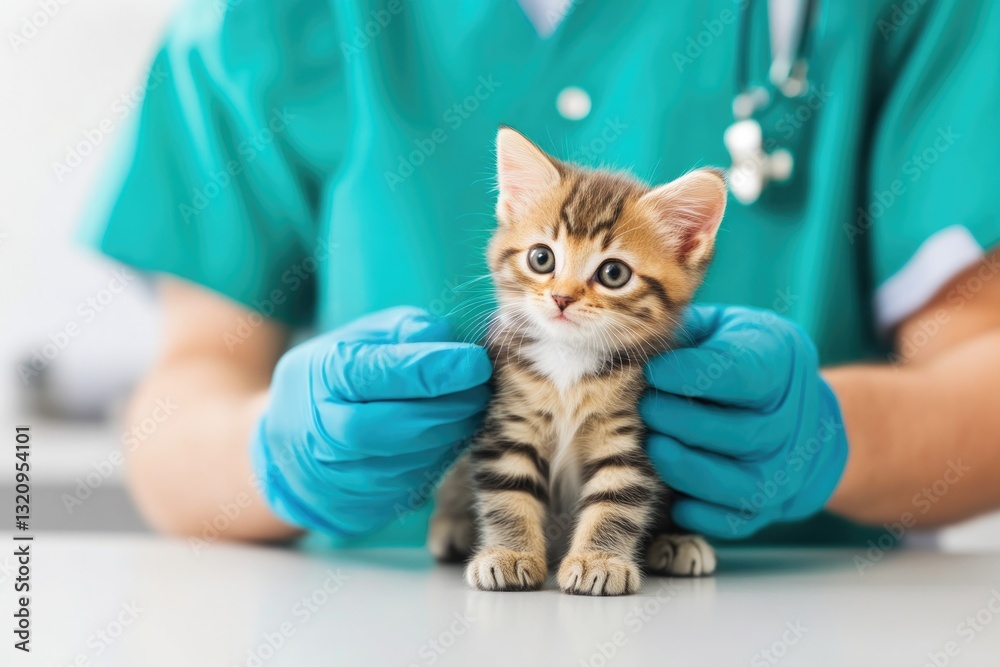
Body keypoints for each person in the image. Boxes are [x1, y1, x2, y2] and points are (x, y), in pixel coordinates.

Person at [81, 0, 1000, 548]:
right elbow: (177, 414)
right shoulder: (263, 23)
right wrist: (274, 452)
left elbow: (982, 380)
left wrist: (827, 437)